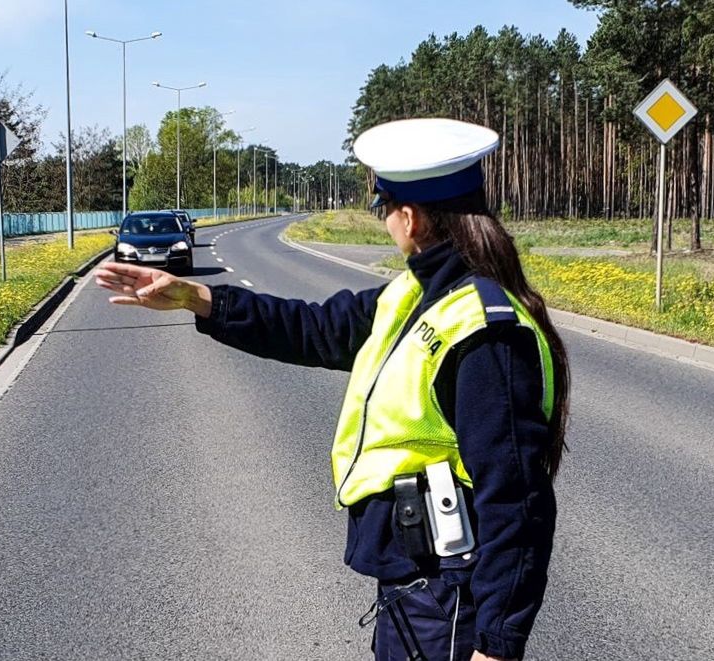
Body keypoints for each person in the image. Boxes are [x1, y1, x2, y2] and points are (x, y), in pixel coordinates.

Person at [92, 118, 570, 661]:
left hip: (449, 594)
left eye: (381, 207)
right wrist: (198, 298)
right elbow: (315, 328)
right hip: (419, 582)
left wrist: (497, 645)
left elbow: (518, 498)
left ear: (409, 218)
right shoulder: (413, 295)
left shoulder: (485, 332)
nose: (383, 220)